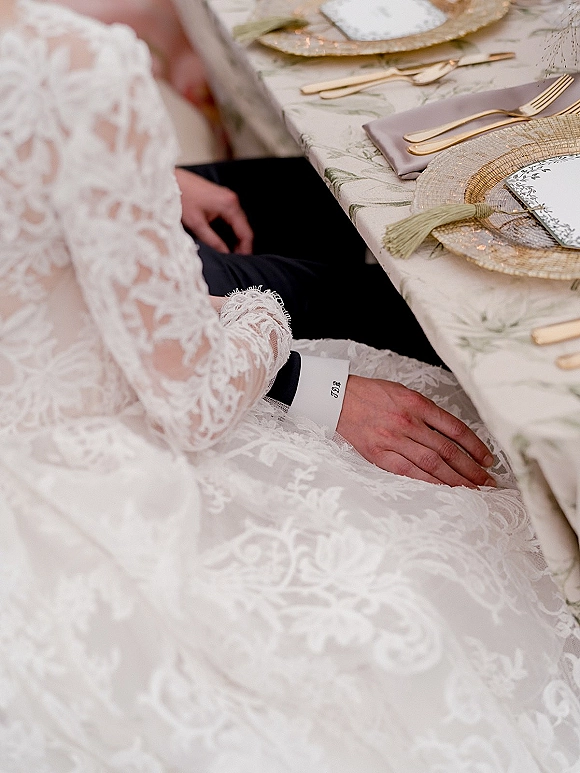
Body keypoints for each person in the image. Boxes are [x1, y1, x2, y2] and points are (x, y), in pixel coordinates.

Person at [2, 2, 580, 771]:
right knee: (410, 305)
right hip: (106, 444)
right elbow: (188, 398)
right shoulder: (73, 66)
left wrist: (134, 176)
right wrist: (303, 365)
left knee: (338, 194)